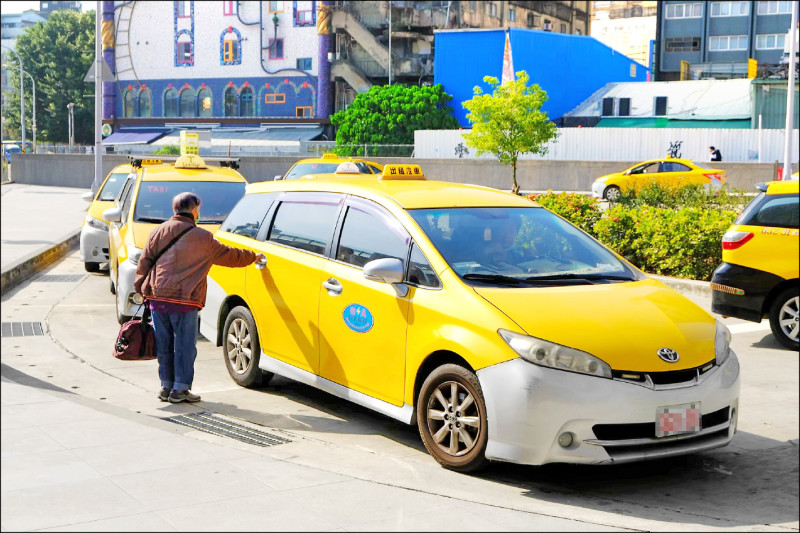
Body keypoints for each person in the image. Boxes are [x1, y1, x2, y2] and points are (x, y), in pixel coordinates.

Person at [134, 192, 264, 404]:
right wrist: (253, 256)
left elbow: (144, 262)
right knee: (184, 346)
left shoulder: (157, 231)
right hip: (185, 301)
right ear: (194, 210)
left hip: (157, 298)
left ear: (174, 209)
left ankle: (166, 386)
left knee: (164, 344)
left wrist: (141, 288)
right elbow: (230, 256)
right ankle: (180, 389)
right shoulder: (203, 237)